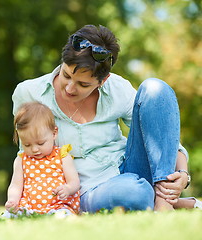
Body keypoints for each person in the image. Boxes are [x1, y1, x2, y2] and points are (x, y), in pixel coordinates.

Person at [12, 24, 201, 212]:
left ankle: (164, 203)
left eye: (83, 84)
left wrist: (182, 173)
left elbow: (159, 131)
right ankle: (162, 200)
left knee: (156, 89)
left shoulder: (117, 89)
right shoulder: (29, 93)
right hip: (84, 189)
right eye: (66, 75)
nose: (70, 88)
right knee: (133, 193)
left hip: (128, 167)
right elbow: (28, 155)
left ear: (102, 81)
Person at [4, 102, 81, 217]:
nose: (34, 149)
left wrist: (67, 189)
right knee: (9, 215)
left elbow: (74, 182)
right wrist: (12, 200)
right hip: (28, 207)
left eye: (40, 143)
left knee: (63, 215)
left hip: (58, 206)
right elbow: (16, 185)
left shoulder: (62, 156)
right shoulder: (21, 160)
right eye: (27, 145)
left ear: (54, 133)